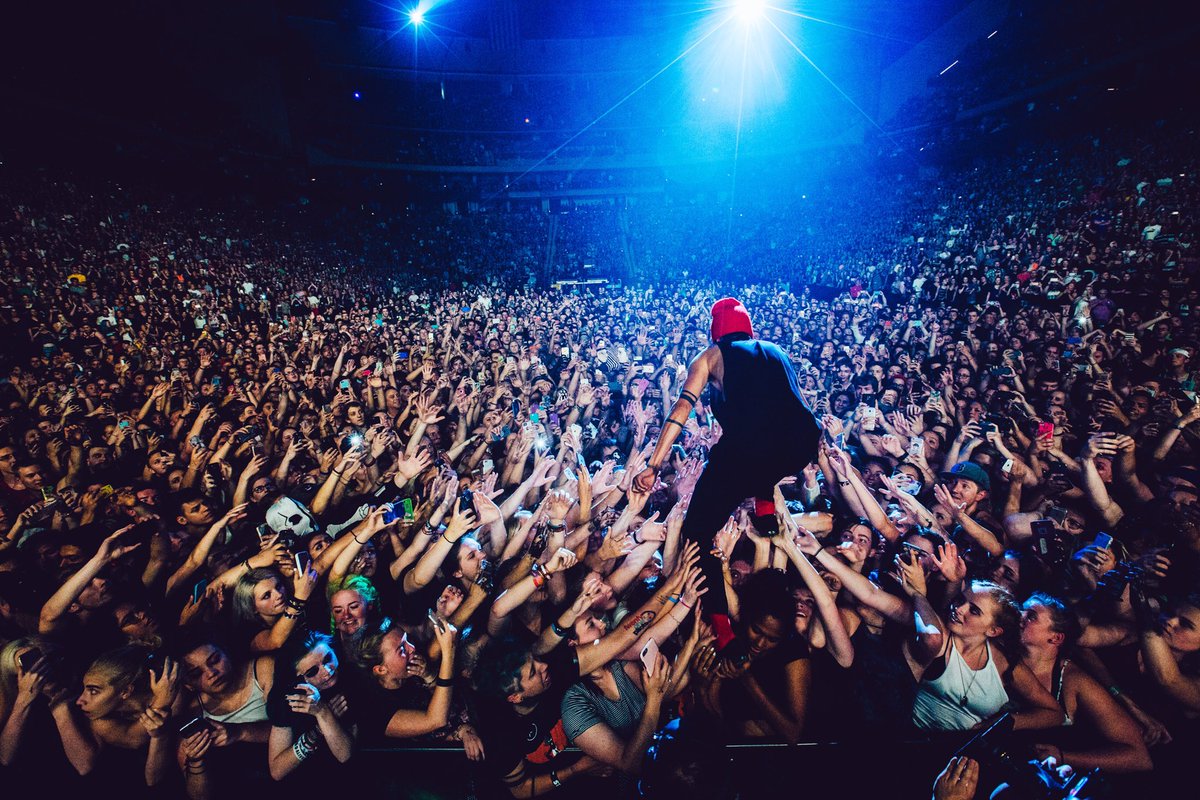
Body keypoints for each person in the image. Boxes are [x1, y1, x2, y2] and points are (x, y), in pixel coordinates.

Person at [634, 298, 820, 646]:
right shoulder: (776, 351)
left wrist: (654, 464)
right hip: (799, 443)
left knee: (696, 532)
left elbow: (682, 408)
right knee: (759, 456)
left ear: (714, 331)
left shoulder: (710, 356)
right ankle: (764, 499)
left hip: (749, 450)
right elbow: (791, 408)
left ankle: (721, 627)